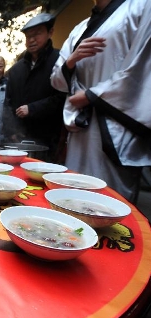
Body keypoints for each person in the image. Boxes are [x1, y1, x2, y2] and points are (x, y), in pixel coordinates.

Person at [50, 0, 151, 203]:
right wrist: (71, 61)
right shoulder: (80, 28)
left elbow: (144, 66)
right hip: (81, 127)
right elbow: (56, 79)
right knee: (73, 194)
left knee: (113, 202)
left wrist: (92, 95)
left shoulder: (141, 6)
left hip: (118, 125)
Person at [3, 13, 66, 162]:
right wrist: (11, 131)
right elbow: (8, 103)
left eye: (37, 34)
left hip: (49, 138)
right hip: (19, 139)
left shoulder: (60, 61)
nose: (31, 40)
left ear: (50, 32)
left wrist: (32, 108)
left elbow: (62, 97)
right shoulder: (17, 69)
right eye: (28, 36)